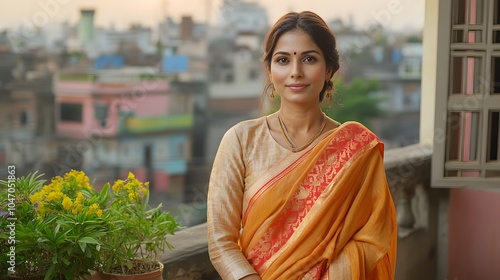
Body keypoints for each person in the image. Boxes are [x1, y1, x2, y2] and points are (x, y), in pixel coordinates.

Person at [207, 10, 397, 280]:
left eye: (309, 59)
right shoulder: (241, 140)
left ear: (329, 68)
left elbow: (373, 238)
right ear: (270, 71)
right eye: (283, 60)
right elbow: (220, 242)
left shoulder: (355, 148)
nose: (296, 72)